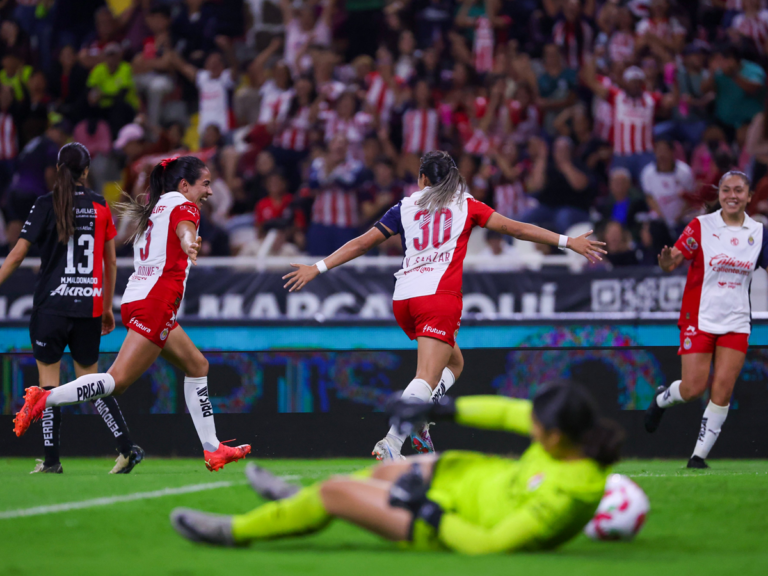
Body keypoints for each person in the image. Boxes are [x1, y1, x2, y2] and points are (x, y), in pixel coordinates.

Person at [283, 151, 606, 460]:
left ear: (422, 178)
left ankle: (420, 417)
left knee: (454, 364)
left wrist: (318, 267)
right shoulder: (466, 205)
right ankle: (393, 441)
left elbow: (363, 242)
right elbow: (517, 229)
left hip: (404, 299)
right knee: (426, 374)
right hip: (438, 298)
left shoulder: (405, 206)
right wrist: (568, 242)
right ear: (453, 178)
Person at [170, 380, 624, 554]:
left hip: (447, 517)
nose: (529, 424)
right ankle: (296, 503)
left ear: (557, 436)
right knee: (382, 473)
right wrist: (443, 409)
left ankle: (237, 531)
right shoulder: (570, 436)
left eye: (537, 425)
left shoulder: (566, 493)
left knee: (334, 491)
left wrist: (428, 511)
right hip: (462, 476)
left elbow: (489, 544)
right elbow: (508, 412)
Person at [13, 156, 251, 472]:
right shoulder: (185, 207)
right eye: (205, 184)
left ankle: (212, 449)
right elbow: (184, 231)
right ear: (184, 185)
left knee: (197, 365)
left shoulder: (157, 205)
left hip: (141, 298)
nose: (209, 191)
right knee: (118, 381)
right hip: (155, 302)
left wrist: (187, 242)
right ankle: (44, 399)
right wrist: (190, 243)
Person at [0, 143, 142, 474]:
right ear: (87, 171)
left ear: (58, 169)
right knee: (89, 383)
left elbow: (17, 255)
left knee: (48, 386)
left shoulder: (44, 204)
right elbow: (110, 261)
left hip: (51, 307)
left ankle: (51, 461)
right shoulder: (100, 205)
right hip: (89, 307)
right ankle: (126, 447)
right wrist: (107, 308)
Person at [647, 171, 767, 469]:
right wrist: (665, 262)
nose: (732, 195)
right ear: (720, 195)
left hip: (737, 320)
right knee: (692, 388)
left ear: (749, 196)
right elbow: (673, 258)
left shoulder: (760, 233)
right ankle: (663, 399)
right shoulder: (701, 226)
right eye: (726, 190)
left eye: (739, 190)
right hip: (699, 318)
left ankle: (698, 457)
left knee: (723, 389)